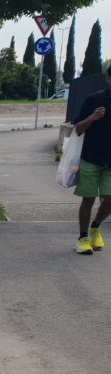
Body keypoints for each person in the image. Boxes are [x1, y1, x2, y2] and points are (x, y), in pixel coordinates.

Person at [73, 65, 111, 255]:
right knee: (88, 199)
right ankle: (82, 238)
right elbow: (78, 129)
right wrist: (93, 118)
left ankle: (95, 227)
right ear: (108, 79)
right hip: (91, 157)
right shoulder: (93, 100)